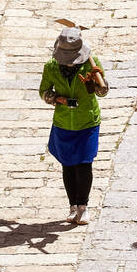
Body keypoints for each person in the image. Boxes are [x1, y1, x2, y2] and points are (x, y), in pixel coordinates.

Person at [39, 25, 109, 225]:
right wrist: (56, 99)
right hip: (63, 123)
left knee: (84, 164)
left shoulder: (90, 63)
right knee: (68, 165)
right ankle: (72, 206)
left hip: (86, 120)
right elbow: (43, 91)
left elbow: (103, 91)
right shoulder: (51, 67)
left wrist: (95, 84)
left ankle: (83, 206)